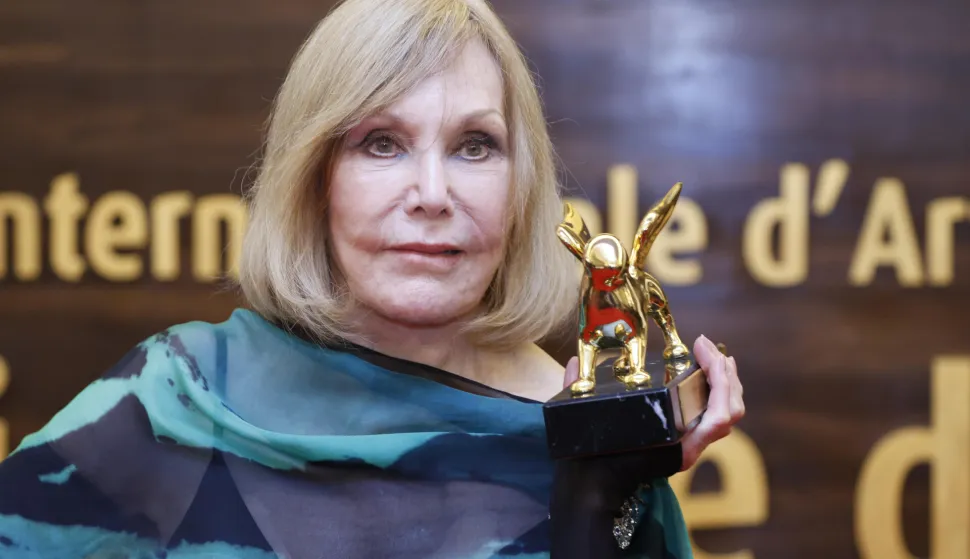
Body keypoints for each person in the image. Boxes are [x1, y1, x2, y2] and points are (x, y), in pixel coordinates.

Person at [0, 0, 745, 557]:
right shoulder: (175, 395)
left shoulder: (589, 440)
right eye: (381, 143)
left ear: (522, 188)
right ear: (315, 179)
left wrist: (600, 497)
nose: (431, 192)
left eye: (475, 146)